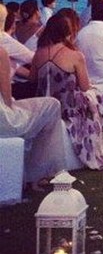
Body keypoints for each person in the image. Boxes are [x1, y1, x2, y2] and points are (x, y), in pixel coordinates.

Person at [31, 16, 103, 170]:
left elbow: (33, 79)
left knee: (93, 94)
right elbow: (84, 87)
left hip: (45, 106)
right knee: (92, 94)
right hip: (69, 108)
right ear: (67, 32)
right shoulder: (75, 55)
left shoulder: (39, 54)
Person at [0, 45, 65, 190]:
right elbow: (7, 99)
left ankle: (29, 171)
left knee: (33, 111)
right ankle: (36, 174)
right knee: (52, 105)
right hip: (4, 121)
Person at [0, 4, 35, 100]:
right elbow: (31, 57)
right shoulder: (4, 39)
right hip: (7, 91)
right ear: (12, 25)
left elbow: (15, 65)